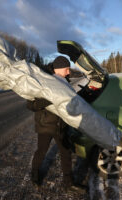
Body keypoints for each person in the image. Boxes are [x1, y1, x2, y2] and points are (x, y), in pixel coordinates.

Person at [26, 56, 85, 193]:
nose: (69, 72)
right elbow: (31, 105)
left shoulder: (66, 83)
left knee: (66, 153)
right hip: (46, 125)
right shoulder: (44, 82)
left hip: (61, 126)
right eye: (67, 69)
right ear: (59, 69)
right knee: (41, 151)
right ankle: (34, 175)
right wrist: (49, 99)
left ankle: (69, 183)